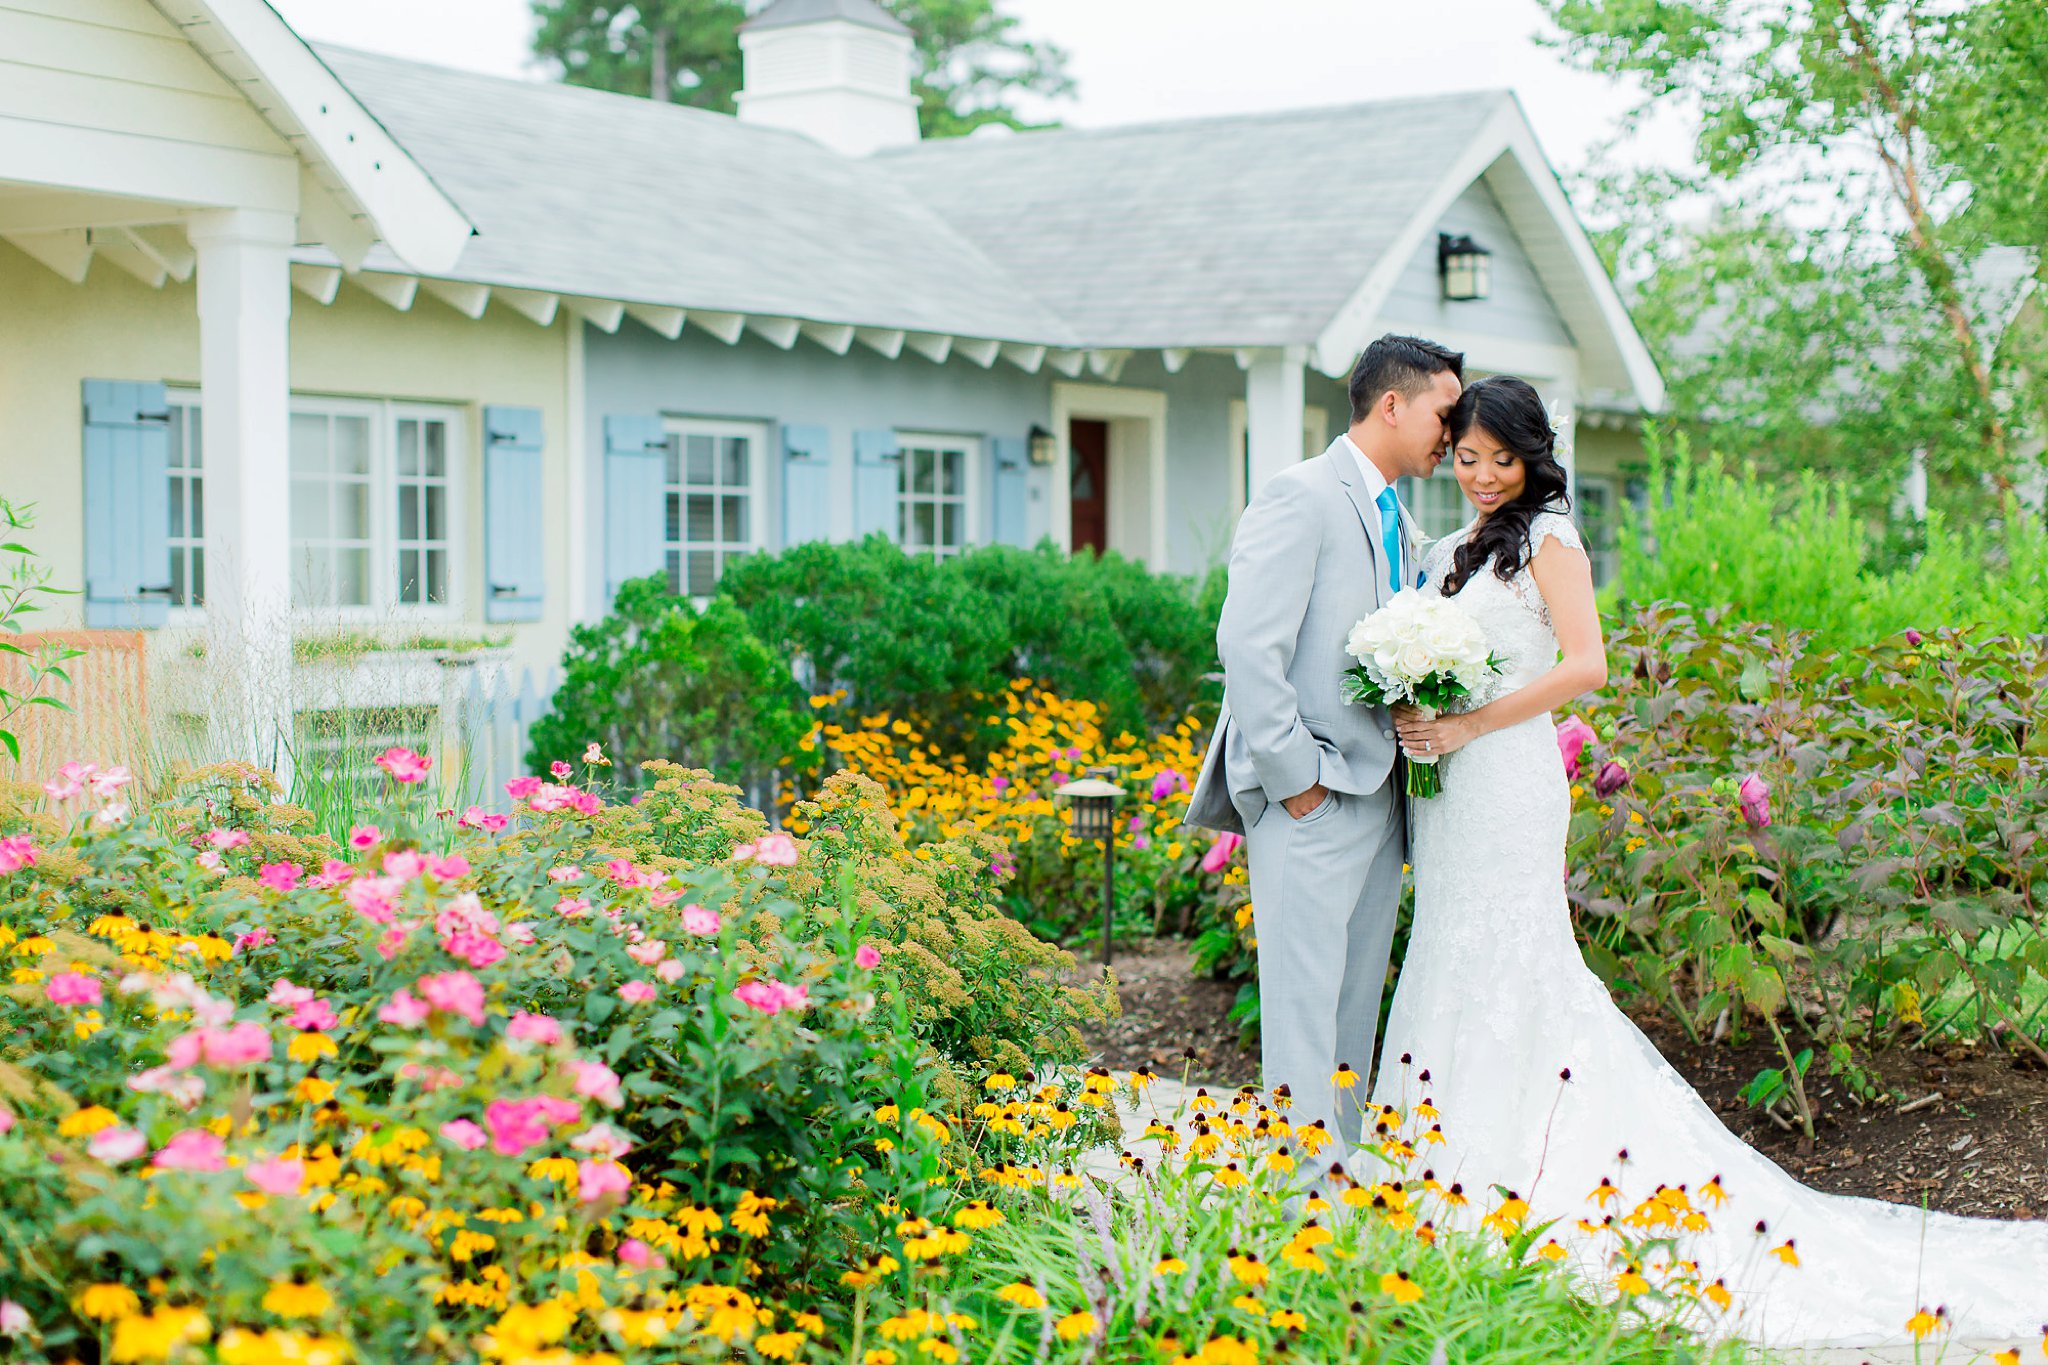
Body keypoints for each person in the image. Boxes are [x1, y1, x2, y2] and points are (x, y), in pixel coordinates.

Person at [1382, 373, 2048, 1346]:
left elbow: (1586, 666)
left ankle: (1519, 1158)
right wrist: (1415, 705)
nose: (1482, 476)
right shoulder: (1443, 550)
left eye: (1501, 459)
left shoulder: (1550, 541)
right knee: (1449, 949)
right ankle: (1430, 1153)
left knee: (1516, 959)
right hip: (1448, 794)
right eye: (1469, 459)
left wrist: (1472, 721)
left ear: (1532, 455)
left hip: (1510, 779)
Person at [1184, 333, 1462, 1183]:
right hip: (1313, 795)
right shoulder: (1299, 496)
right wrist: (1296, 779)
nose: (1453, 434)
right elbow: (1248, 647)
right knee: (1302, 1004)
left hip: (1381, 801)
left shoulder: (1400, 520)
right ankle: (1295, 1184)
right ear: (1393, 404)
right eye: (1445, 413)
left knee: (1351, 1002)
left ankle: (1337, 1174)